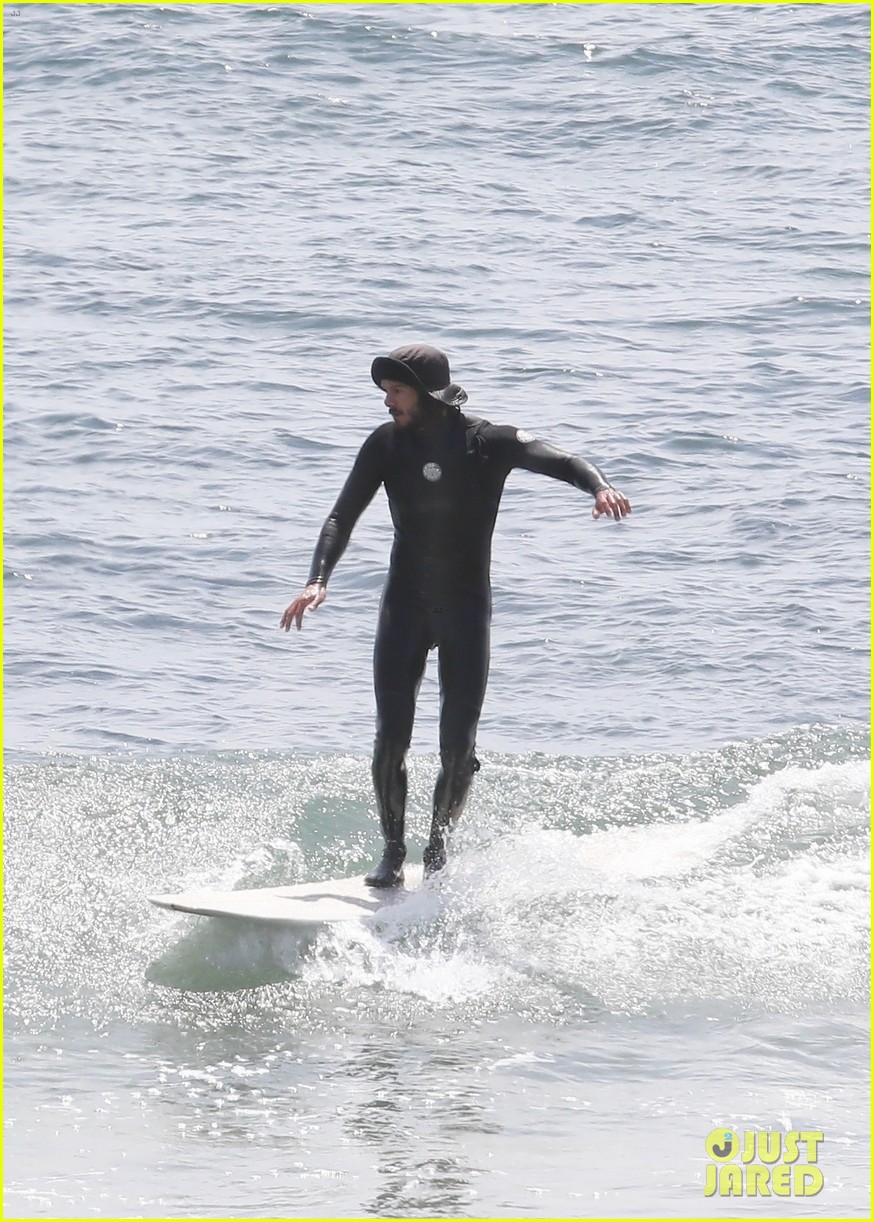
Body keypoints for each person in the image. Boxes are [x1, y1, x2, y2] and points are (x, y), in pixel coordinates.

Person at [280, 345, 631, 887]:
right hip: (406, 607)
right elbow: (341, 515)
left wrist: (600, 485)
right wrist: (316, 580)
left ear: (427, 393)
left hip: (466, 611)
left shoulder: (487, 443)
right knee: (389, 739)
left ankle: (438, 853)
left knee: (457, 746)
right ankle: (393, 854)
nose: (387, 402)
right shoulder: (385, 445)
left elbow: (560, 460)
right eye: (386, 393)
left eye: (396, 392)